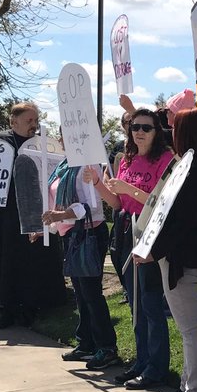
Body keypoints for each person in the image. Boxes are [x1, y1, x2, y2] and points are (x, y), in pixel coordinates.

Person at [135, 108, 197, 392]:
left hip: (183, 259)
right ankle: (187, 389)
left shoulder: (194, 170)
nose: (169, 132)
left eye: (175, 127)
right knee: (188, 331)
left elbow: (181, 220)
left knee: (191, 331)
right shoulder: (192, 165)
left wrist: (154, 250)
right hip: (180, 257)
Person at [96, 107, 173, 385]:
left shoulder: (166, 159)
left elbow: (161, 201)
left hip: (149, 232)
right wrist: (99, 184)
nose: (139, 132)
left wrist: (128, 189)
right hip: (125, 229)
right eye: (135, 127)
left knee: (150, 301)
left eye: (146, 127)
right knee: (135, 302)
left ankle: (156, 366)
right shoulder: (126, 159)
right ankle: (142, 360)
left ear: (156, 132)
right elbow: (118, 203)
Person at [0, 102, 61, 329]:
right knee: (7, 262)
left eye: (36, 120)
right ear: (13, 121)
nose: (34, 125)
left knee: (32, 262)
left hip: (35, 211)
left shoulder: (42, 144)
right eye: (29, 120)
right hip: (6, 214)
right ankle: (7, 309)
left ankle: (33, 308)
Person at [43, 157, 121, 368]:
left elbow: (90, 207)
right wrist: (48, 225)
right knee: (81, 292)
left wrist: (60, 215)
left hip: (88, 233)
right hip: (70, 234)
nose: (64, 141)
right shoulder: (63, 166)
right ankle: (87, 343)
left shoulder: (88, 164)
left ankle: (107, 347)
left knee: (91, 293)